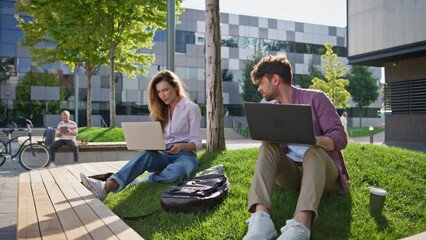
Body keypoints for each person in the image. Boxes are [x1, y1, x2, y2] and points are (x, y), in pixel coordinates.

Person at [243, 55, 349, 240]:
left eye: (261, 83)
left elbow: (340, 138)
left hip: (323, 173)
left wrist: (310, 139)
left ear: (275, 79)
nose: (259, 88)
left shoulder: (316, 98)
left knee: (313, 151)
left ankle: (301, 225)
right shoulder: (271, 109)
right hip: (292, 173)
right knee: (267, 145)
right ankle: (261, 219)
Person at [80, 70, 202, 201]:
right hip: (164, 154)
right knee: (146, 155)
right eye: (159, 92)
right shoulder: (161, 110)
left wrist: (181, 146)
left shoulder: (191, 108)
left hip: (185, 156)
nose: (162, 95)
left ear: (176, 87)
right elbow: (158, 138)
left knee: (178, 171)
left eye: (165, 90)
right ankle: (105, 187)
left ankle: (145, 180)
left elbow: (197, 143)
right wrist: (148, 144)